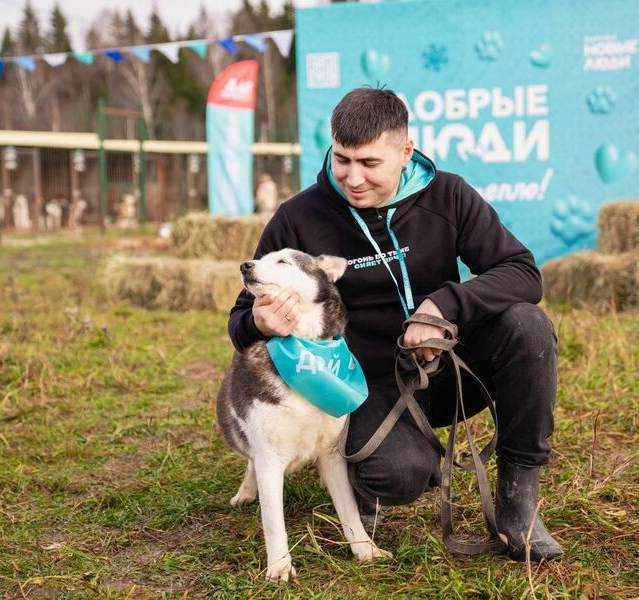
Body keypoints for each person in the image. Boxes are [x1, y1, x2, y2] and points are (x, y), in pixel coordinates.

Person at [227, 87, 562, 562]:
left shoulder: (448, 194)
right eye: (342, 160)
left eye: (370, 163)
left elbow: (524, 273)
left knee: (528, 326)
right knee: (398, 474)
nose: (353, 178)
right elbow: (239, 321)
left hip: (449, 371)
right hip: (368, 386)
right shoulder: (299, 217)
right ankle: (379, 471)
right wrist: (259, 321)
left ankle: (518, 499)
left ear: (406, 151)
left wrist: (442, 306)